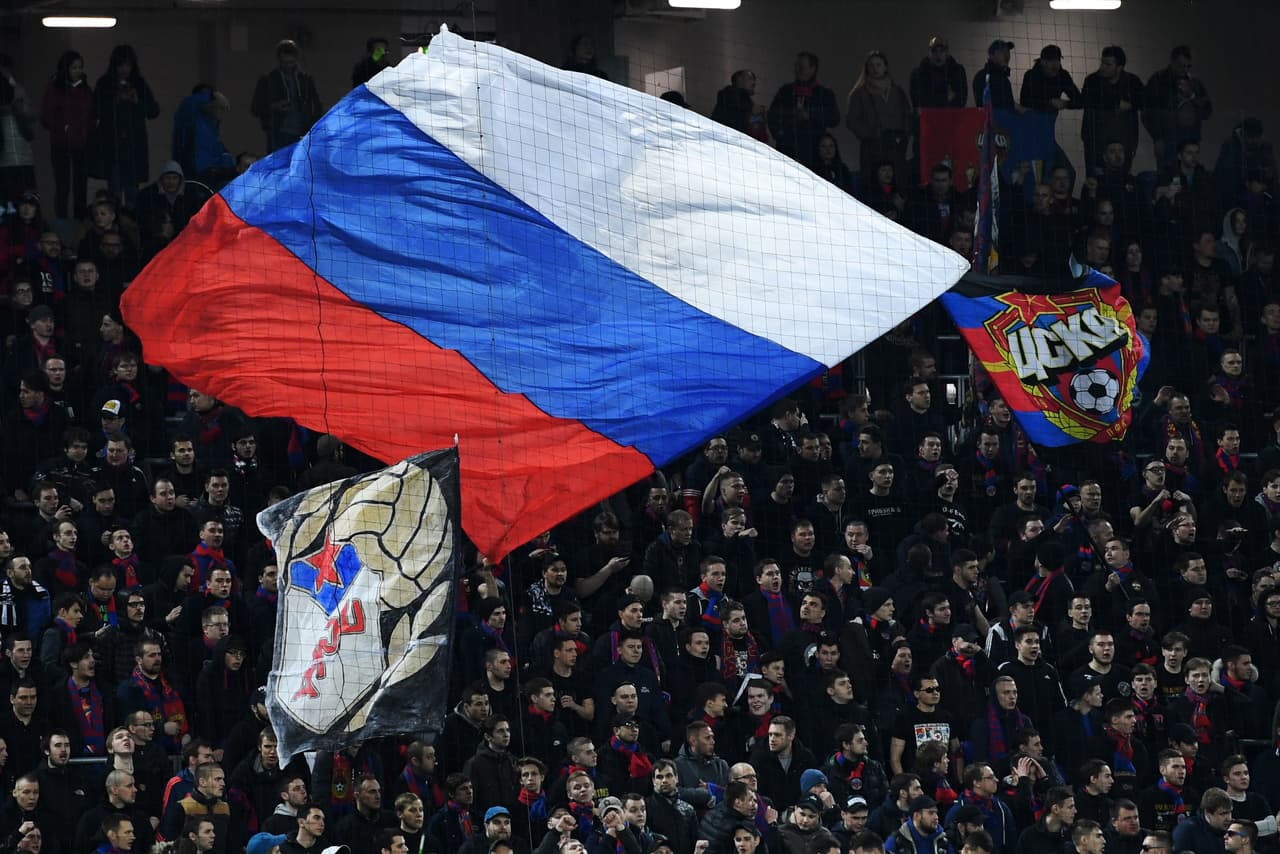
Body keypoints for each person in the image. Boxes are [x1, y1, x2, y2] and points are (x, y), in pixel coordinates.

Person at [88, 46, 159, 208]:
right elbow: (95, 111)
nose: (124, 69)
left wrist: (137, 102)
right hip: (112, 147)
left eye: (127, 65)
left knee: (133, 193)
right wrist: (114, 101)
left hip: (134, 147)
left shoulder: (139, 83)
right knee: (114, 194)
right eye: (120, 65)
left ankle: (131, 221)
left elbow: (153, 111)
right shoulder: (105, 84)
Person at [40, 51, 93, 219]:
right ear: (66, 69)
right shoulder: (55, 88)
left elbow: (90, 113)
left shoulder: (85, 89)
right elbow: (47, 116)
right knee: (62, 186)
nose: (78, 71)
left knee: (80, 186)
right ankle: (61, 222)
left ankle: (80, 221)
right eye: (73, 67)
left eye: (80, 67)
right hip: (61, 144)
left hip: (81, 144)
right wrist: (63, 127)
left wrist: (88, 129)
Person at [846, 51, 913, 180]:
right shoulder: (860, 93)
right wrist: (870, 134)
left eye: (878, 65)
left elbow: (907, 115)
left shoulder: (897, 91)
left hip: (896, 146)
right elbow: (852, 120)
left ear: (885, 67)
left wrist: (904, 136)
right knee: (873, 181)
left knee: (897, 179)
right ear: (866, 69)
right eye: (871, 65)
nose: (875, 69)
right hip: (872, 147)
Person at [767, 52, 839, 169]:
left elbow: (834, 118)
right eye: (796, 66)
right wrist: (780, 135)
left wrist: (810, 115)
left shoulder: (825, 94)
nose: (797, 70)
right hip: (787, 150)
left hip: (814, 152)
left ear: (812, 69)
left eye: (801, 67)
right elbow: (772, 116)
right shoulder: (785, 91)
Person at [250, 40, 323, 153]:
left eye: (291, 62)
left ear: (296, 60)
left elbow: (316, 105)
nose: (288, 66)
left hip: (302, 130)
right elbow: (255, 108)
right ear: (279, 60)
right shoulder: (268, 80)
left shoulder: (305, 80)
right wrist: (275, 107)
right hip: (278, 132)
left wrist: (312, 125)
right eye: (285, 63)